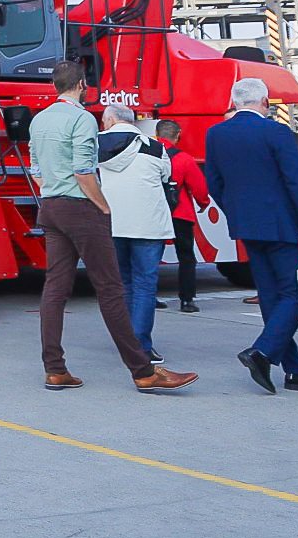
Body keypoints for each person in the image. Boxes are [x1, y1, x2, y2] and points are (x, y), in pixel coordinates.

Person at [30, 61, 192, 393]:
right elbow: (83, 171)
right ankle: (143, 371)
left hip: (51, 207)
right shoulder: (81, 119)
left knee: (55, 289)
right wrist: (102, 205)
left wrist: (53, 191)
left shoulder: (39, 119)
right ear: (81, 84)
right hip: (81, 208)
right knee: (110, 289)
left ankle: (55, 368)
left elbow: (36, 169)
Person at [205, 76, 298, 394]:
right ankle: (262, 352)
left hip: (247, 227)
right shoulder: (276, 132)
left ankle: (295, 370)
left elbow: (214, 182)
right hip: (282, 226)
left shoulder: (216, 134)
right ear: (265, 102)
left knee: (271, 296)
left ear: (234, 102)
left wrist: (236, 212)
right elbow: (296, 182)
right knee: (295, 294)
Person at [98, 105, 177, 363]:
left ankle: (126, 342)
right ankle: (141, 345)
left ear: (111, 120)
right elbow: (166, 175)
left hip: (112, 223)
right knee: (145, 285)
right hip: (148, 223)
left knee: (123, 283)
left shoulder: (94, 145)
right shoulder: (155, 147)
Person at [152, 116, 209, 312]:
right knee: (186, 257)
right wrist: (203, 203)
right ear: (178, 136)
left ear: (156, 134)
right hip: (180, 214)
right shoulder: (184, 159)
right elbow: (199, 187)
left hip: (154, 213)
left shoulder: (147, 156)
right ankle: (187, 300)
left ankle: (149, 296)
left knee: (151, 256)